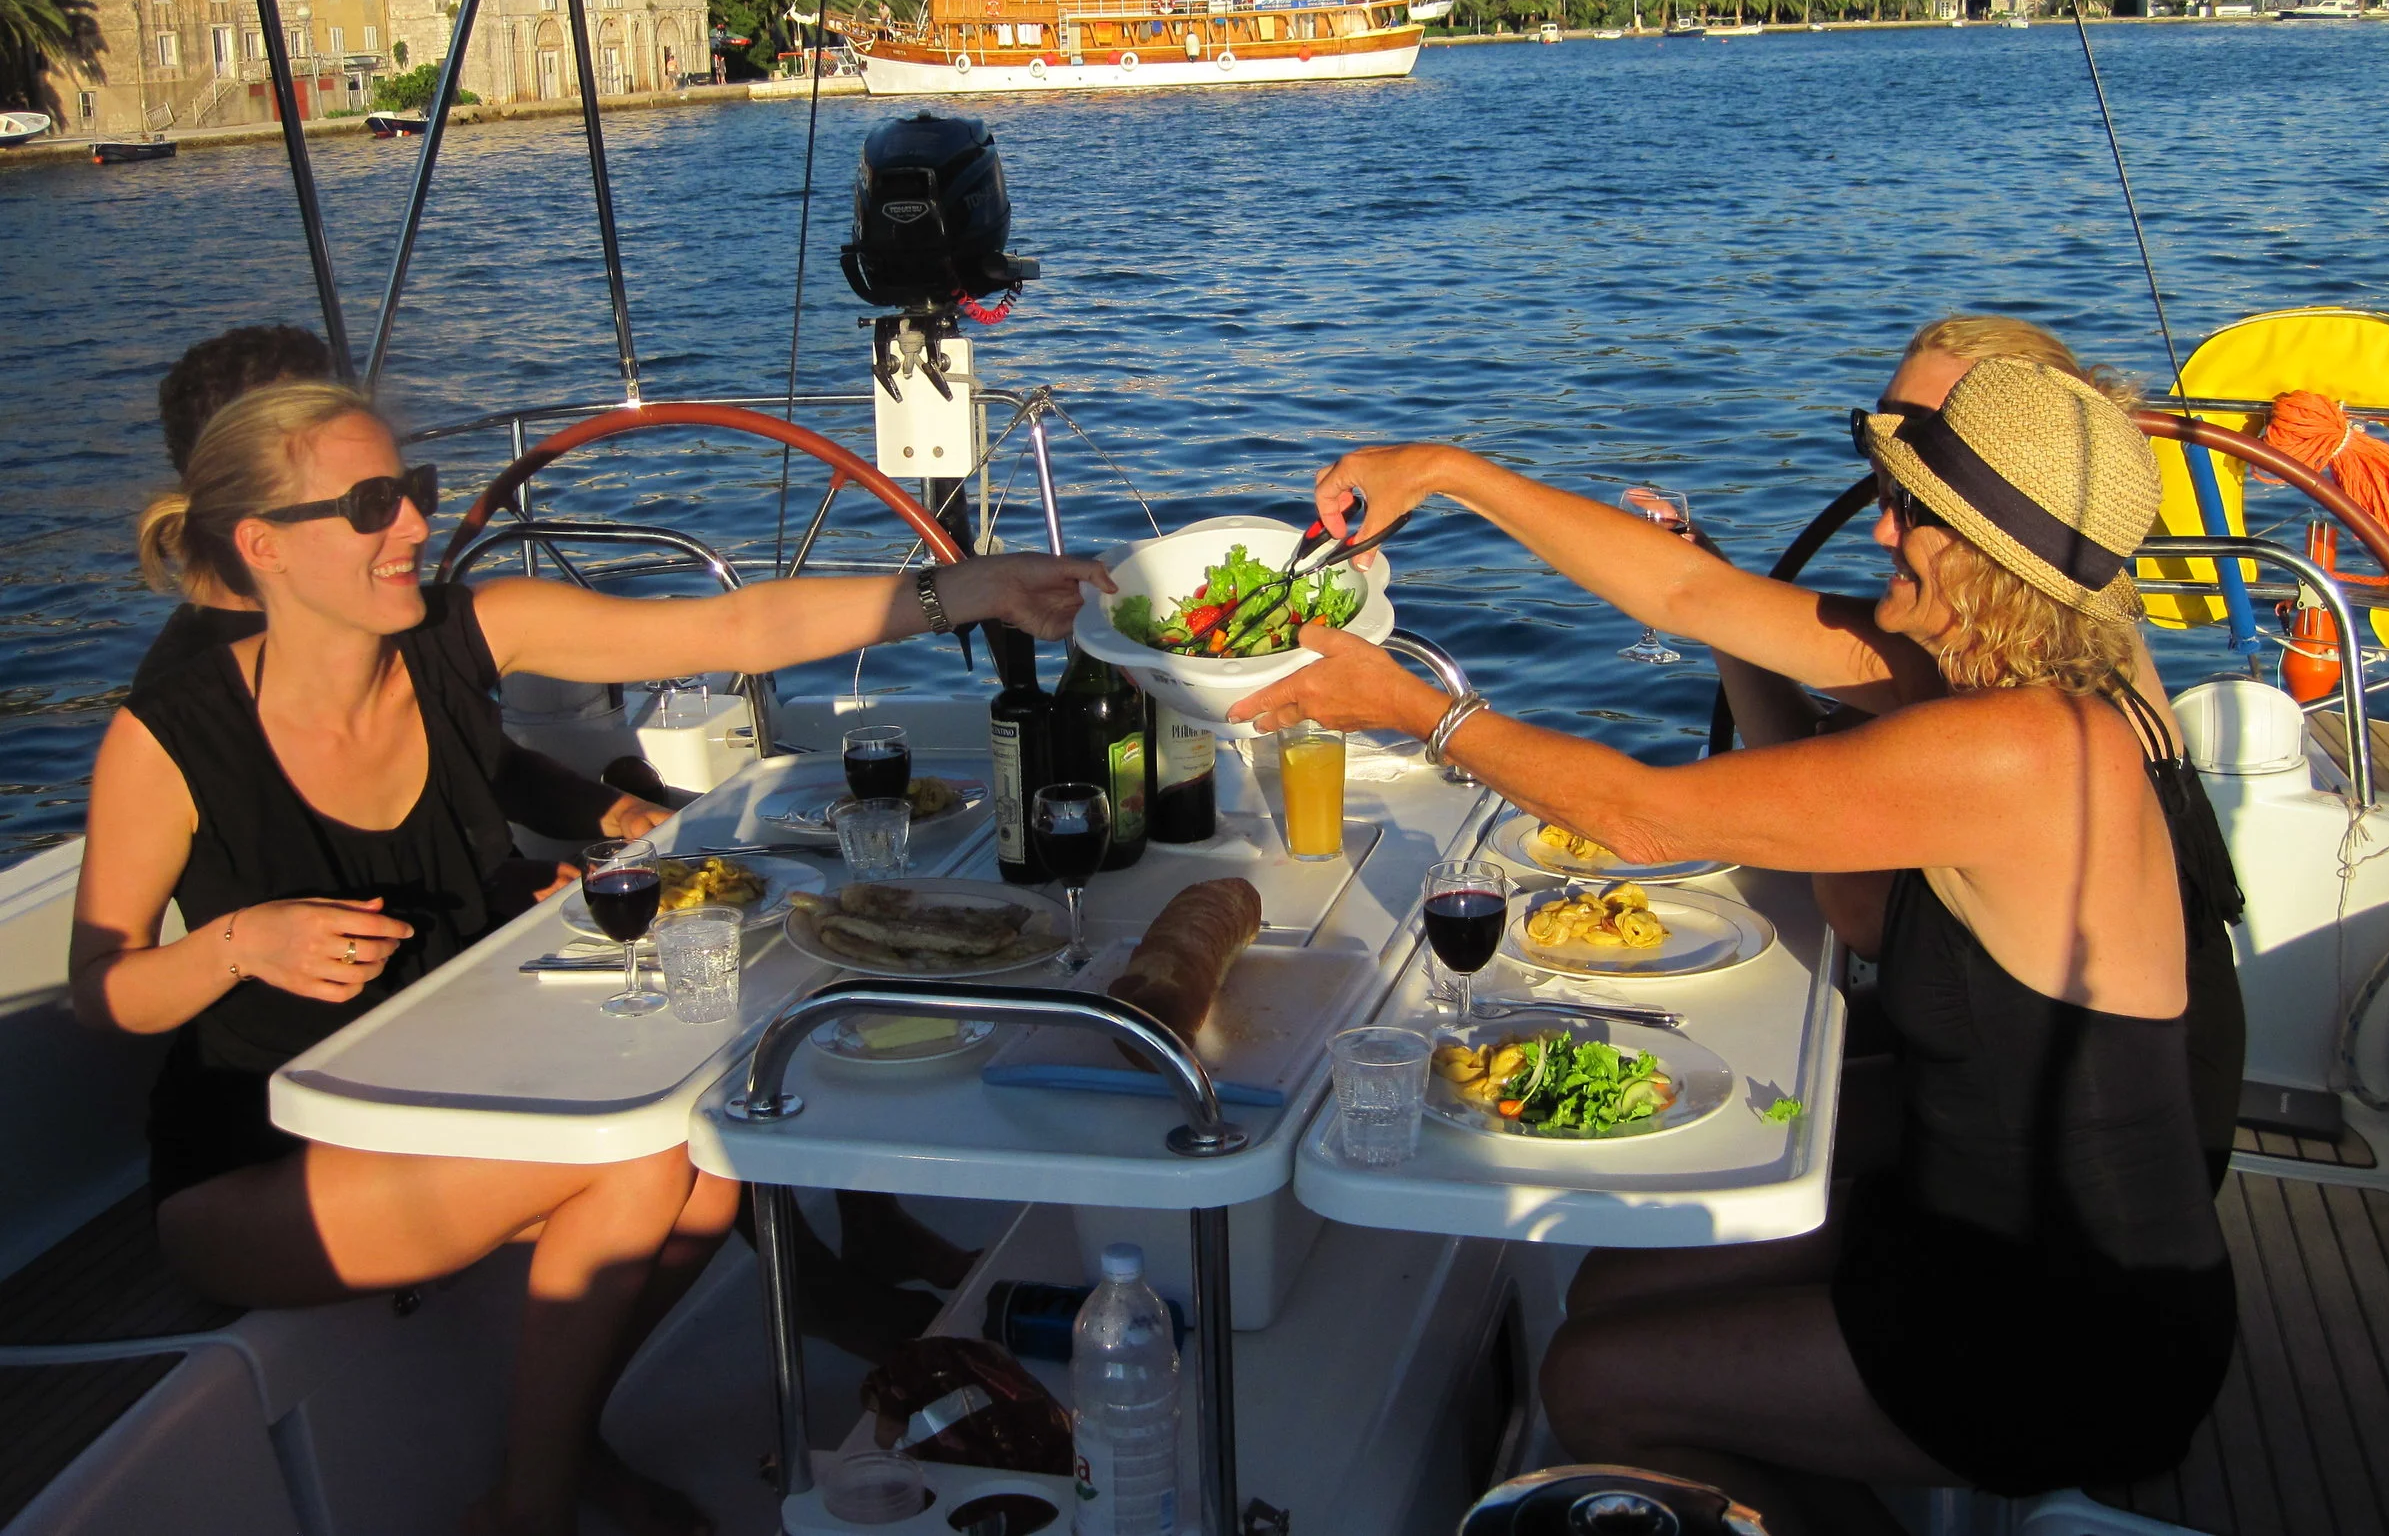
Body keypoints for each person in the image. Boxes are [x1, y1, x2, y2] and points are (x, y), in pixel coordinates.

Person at [72, 380, 1113, 1536]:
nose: (418, 525)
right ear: (264, 546)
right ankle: (537, 1499)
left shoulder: (461, 638)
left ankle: (562, 1461)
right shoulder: (168, 738)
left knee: (713, 1160)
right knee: (654, 1158)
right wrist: (234, 944)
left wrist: (973, 587)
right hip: (268, 1166)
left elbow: (733, 628)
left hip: (456, 1093)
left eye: (413, 493)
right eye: (373, 505)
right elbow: (102, 990)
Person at [1231, 361, 2236, 1523]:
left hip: (2072, 1327)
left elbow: (1640, 815)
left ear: (1975, 556)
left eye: (1906, 510)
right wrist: (1450, 472)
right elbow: (1689, 597)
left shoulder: (2018, 749)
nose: (1881, 527)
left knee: (1590, 1382)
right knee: (1610, 1284)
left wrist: (1416, 709)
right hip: (1958, 1226)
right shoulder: (2006, 671)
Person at [1715, 315, 2245, 1192]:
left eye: (1927, 431)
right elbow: (1795, 721)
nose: (1893, 455)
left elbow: (1854, 903)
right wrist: (1724, 619)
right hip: (2036, 1088)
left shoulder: (2033, 694)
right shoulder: (2033, 625)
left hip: (2102, 1158)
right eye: (1879, 424)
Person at [142, 324, 669, 851]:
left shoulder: (363, 617)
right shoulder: (191, 701)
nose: (416, 526)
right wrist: (512, 885)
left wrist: (617, 811)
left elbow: (472, 758)